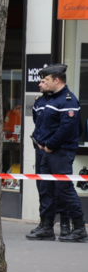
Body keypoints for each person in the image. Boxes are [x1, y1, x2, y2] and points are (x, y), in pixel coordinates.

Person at [27, 64, 87, 242]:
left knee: (64, 189)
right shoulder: (42, 100)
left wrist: (50, 145)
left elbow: (67, 128)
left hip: (59, 152)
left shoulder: (68, 100)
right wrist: (40, 142)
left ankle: (78, 228)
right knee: (45, 189)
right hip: (43, 151)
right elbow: (39, 124)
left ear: (57, 80)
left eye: (44, 81)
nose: (40, 84)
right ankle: (46, 226)